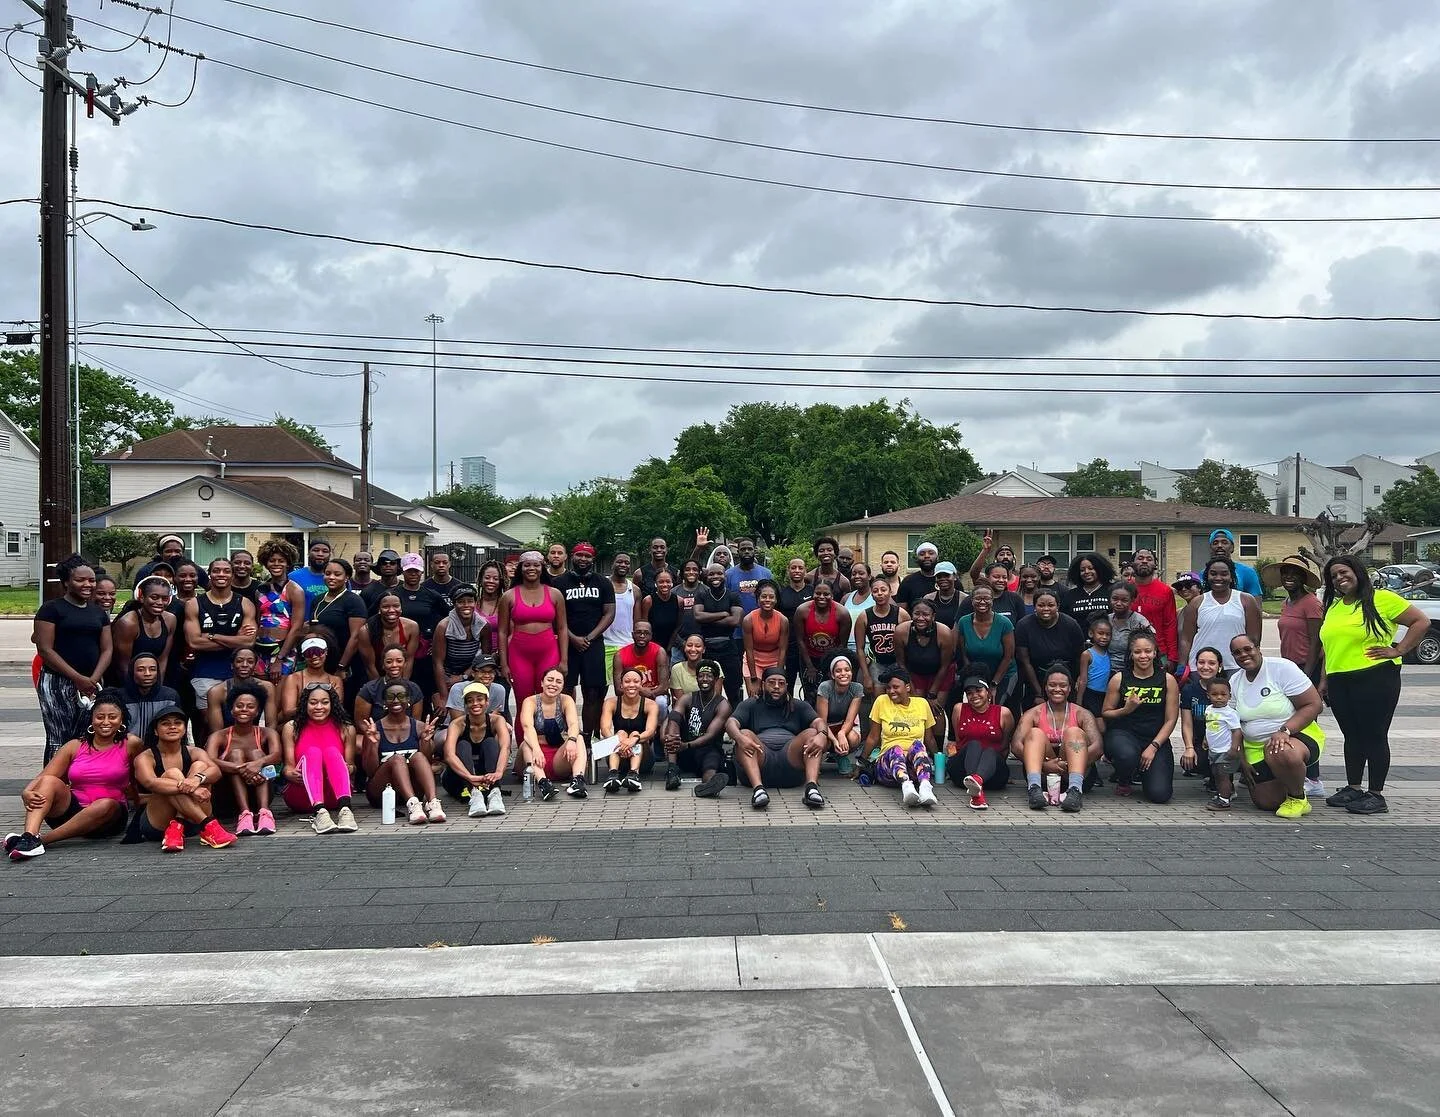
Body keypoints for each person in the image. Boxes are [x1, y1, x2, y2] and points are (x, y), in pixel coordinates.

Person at [1318, 554, 1431, 816]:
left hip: (1375, 677)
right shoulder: (1335, 606)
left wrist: (1399, 649)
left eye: (1344, 572)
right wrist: (1324, 679)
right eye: (1334, 576)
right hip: (1339, 679)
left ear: (1358, 572)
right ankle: (1354, 787)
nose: (1339, 578)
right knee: (1352, 736)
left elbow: (1421, 621)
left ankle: (1376, 794)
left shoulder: (1382, 599)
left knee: (1374, 735)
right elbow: (1328, 647)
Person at [6, 689, 136, 860]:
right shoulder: (75, 745)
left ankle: (39, 841)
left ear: (121, 721)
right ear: (91, 719)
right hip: (71, 810)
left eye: (112, 717)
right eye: (100, 717)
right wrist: (26, 791)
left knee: (105, 804)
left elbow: (143, 773)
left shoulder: (132, 744)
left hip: (108, 816)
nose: (105, 722)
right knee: (49, 781)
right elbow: (44, 776)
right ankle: (30, 835)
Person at [1229, 634, 1327, 819]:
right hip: (1255, 746)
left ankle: (1298, 797)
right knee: (1267, 802)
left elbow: (1314, 705)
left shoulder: (1281, 668)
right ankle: (1290, 778)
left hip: (1295, 734)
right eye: (1237, 652)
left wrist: (1285, 730)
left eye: (1248, 649)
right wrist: (1241, 759)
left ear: (1258, 648)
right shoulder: (1235, 681)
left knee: (1279, 751)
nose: (1243, 654)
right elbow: (1234, 725)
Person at [126, 704, 236, 851]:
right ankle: (210, 826)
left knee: (200, 767)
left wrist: (197, 780)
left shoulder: (195, 751)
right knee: (172, 774)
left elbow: (216, 771)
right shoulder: (145, 757)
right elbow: (150, 782)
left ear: (184, 729)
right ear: (155, 731)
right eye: (165, 724)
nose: (172, 727)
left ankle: (178, 826)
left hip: (192, 823)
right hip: (158, 823)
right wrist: (192, 790)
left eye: (177, 723)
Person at [34, 557, 112, 764]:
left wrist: (93, 679)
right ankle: (53, 786)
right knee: (59, 736)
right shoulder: (51, 609)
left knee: (86, 735)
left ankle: (80, 786)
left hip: (91, 683)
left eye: (91, 580)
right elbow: (45, 649)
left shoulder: (99, 613)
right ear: (67, 582)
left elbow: (107, 648)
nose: (88, 585)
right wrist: (77, 678)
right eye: (80, 580)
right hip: (57, 681)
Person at [727, 668, 827, 810]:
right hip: (760, 760)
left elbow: (819, 722)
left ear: (787, 686)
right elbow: (730, 723)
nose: (776, 687)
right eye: (771, 682)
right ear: (762, 685)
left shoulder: (798, 705)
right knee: (744, 734)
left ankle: (812, 788)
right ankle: (758, 790)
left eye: (781, 683)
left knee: (812, 733)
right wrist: (739, 737)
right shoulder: (750, 704)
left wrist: (822, 735)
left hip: (791, 764)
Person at [1268, 553, 1326, 798]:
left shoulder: (1311, 603)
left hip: (1306, 668)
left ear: (1304, 578)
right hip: (1288, 668)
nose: (1289, 577)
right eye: (1285, 572)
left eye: (1295, 573)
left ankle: (1313, 778)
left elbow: (1316, 642)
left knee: (1308, 723)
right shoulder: (1287, 602)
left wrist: (1306, 675)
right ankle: (1295, 769)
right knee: (1292, 721)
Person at [1101, 632, 1179, 804]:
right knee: (1127, 755)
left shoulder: (1167, 680)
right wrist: (1126, 709)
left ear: (1155, 652)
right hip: (1124, 734)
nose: (1143, 656)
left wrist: (1154, 746)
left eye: (1147, 651)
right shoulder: (1119, 678)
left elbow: (1171, 720)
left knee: (1160, 795)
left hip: (1154, 737)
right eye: (1137, 652)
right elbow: (1106, 712)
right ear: (1131, 654)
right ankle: (1124, 777)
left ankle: (1145, 772)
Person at [1014, 665, 1103, 813]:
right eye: (1052, 685)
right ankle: (1034, 790)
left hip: (1076, 775)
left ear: (1070, 688)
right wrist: (1044, 766)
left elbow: (1098, 747)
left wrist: (1067, 766)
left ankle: (1075, 792)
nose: (1057, 689)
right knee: (1035, 733)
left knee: (1074, 732)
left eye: (1063, 685)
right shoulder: (1033, 713)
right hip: (1043, 775)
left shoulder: (1082, 714)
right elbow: (1016, 745)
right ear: (1045, 688)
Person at [184, 558, 257, 735]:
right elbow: (194, 642)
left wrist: (212, 636)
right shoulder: (194, 604)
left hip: (238, 673)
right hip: (205, 672)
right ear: (209, 574)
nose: (221, 574)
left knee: (238, 721)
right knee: (208, 724)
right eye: (216, 571)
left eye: (226, 571)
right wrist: (235, 639)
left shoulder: (245, 603)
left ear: (232, 575)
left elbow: (248, 642)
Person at [554, 542, 615, 743]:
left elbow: (609, 613)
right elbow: (555, 616)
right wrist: (572, 637)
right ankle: (567, 735)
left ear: (593, 560)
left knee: (593, 692)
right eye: (579, 555)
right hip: (566, 643)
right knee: (565, 690)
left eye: (587, 556)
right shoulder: (560, 583)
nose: (583, 559)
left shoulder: (603, 583)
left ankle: (587, 737)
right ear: (572, 556)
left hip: (593, 644)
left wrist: (589, 637)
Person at [280, 682, 360, 834]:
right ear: (305, 704)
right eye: (313, 702)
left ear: (332, 704)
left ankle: (345, 810)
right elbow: (287, 767)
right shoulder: (292, 727)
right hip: (303, 795)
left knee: (331, 751)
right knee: (314, 752)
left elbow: (352, 766)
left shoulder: (346, 728)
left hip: (335, 795)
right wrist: (290, 773)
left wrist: (348, 768)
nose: (319, 707)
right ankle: (319, 813)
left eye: (325, 702)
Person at [203, 681, 281, 836]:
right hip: (228, 795)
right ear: (231, 710)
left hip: (260, 790)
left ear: (258, 711)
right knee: (235, 754)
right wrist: (240, 769)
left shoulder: (267, 733)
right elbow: (209, 759)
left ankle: (265, 812)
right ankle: (244, 814)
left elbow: (277, 756)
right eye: (239, 706)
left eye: (250, 706)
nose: (244, 709)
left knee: (257, 754)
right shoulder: (220, 736)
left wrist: (257, 764)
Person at [359, 685, 445, 825]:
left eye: (401, 696)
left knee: (418, 756)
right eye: (390, 697)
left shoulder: (419, 727)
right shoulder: (375, 729)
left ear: (409, 700)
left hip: (414, 788)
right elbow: (370, 771)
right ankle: (413, 806)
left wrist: (425, 741)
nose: (396, 700)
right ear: (384, 703)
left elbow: (426, 762)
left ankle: (432, 803)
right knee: (397, 759)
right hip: (382, 792)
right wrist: (373, 744)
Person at [498, 551, 568, 707]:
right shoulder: (508, 596)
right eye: (527, 565)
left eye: (536, 565)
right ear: (520, 568)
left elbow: (562, 628)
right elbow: (502, 632)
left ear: (542, 568)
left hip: (549, 653)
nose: (532, 568)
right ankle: (524, 732)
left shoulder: (555, 594)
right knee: (523, 701)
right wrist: (504, 664)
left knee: (549, 700)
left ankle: (547, 732)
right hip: (519, 655)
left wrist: (564, 660)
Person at [862, 667, 938, 809]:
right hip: (888, 767)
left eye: (896, 687)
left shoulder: (922, 704)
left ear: (907, 687)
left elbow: (930, 739)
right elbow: (873, 737)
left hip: (914, 766)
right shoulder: (881, 701)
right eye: (888, 688)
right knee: (895, 749)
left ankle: (925, 787)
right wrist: (862, 763)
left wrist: (940, 761)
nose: (891, 691)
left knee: (918, 746)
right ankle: (906, 787)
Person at [1178, 557, 1262, 673]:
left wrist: (1252, 663)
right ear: (1207, 577)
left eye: (1224, 574)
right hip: (1202, 667)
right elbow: (1186, 639)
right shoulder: (1197, 602)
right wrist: (1182, 665)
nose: (1218, 578)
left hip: (1236, 666)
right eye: (1213, 574)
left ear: (1232, 577)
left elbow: (1254, 638)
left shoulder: (1246, 600)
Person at [440, 682, 512, 815]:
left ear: (487, 702)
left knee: (490, 742)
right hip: (460, 778)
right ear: (466, 705)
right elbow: (448, 755)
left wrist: (499, 772)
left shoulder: (497, 720)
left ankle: (495, 792)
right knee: (462, 745)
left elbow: (505, 747)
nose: (475, 704)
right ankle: (475, 794)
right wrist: (470, 777)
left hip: (487, 777)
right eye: (470, 701)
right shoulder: (457, 724)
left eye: (479, 699)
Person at [517, 667, 589, 800]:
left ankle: (578, 781)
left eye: (558, 681)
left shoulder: (566, 700)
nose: (553, 684)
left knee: (578, 738)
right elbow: (527, 728)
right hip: (533, 759)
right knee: (526, 743)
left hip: (558, 757)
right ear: (542, 683)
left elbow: (574, 724)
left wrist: (571, 740)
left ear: (562, 685)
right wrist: (537, 750)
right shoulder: (530, 701)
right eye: (550, 680)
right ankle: (544, 784)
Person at [661, 660, 730, 797]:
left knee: (710, 767)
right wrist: (666, 737)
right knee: (674, 722)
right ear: (696, 678)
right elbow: (673, 717)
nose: (705, 679)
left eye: (709, 676)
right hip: (682, 749)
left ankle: (709, 785)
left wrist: (686, 745)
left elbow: (710, 735)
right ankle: (672, 772)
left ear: (716, 679)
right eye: (701, 676)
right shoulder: (688, 698)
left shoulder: (723, 705)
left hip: (708, 750)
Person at [948, 676, 1014, 809]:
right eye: (969, 693)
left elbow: (1005, 746)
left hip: (993, 774)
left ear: (988, 693)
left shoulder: (1003, 713)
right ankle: (975, 785)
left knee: (990, 750)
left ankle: (977, 783)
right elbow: (959, 741)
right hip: (963, 773)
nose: (974, 695)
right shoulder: (959, 709)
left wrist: (988, 765)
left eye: (978, 690)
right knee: (974, 744)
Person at [1014, 589, 1086, 708]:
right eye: (1041, 605)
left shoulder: (1071, 624)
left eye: (1050, 605)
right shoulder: (1023, 626)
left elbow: (1080, 656)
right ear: (1034, 606)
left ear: (1058, 606)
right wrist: (1039, 694)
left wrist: (1076, 682)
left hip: (1066, 679)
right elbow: (1025, 662)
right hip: (1035, 679)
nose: (1046, 609)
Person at [955, 585, 1017, 707]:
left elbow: (1008, 657)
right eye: (978, 598)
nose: (982, 602)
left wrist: (993, 685)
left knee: (995, 706)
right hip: (976, 676)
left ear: (992, 601)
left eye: (987, 598)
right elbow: (964, 654)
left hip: (1003, 674)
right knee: (975, 706)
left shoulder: (1004, 623)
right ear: (972, 601)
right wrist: (973, 680)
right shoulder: (963, 622)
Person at [254, 540, 307, 681]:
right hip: (260, 649)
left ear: (288, 563)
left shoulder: (295, 590)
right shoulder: (260, 590)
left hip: (283, 651)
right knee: (261, 695)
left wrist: (279, 659)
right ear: (266, 563)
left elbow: (296, 628)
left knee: (279, 697)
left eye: (281, 561)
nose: (276, 564)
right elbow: (257, 622)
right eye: (272, 560)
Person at [794, 580, 853, 705]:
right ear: (813, 593)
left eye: (826, 594)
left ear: (832, 595)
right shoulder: (802, 611)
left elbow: (842, 645)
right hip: (809, 657)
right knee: (810, 695)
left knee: (829, 694)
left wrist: (830, 667)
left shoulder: (842, 613)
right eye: (818, 593)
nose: (821, 597)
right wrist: (809, 667)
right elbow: (800, 640)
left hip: (831, 658)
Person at [893, 600, 954, 719]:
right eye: (916, 614)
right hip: (914, 672)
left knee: (935, 710)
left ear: (933, 616)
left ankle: (937, 738)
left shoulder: (944, 632)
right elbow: (901, 663)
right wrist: (911, 688)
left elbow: (945, 666)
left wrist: (932, 694)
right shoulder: (901, 631)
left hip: (940, 672)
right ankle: (919, 737)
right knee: (917, 707)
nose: (921, 618)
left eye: (925, 615)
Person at [600, 667, 658, 793]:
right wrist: (620, 743)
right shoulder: (611, 703)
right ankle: (613, 774)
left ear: (641, 684)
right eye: (627, 681)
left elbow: (650, 731)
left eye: (636, 681)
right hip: (617, 753)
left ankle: (634, 774)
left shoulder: (650, 704)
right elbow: (604, 728)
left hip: (643, 757)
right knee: (620, 733)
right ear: (621, 684)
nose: (631, 685)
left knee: (636, 733)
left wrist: (633, 740)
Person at [431, 584, 489, 709]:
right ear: (454, 604)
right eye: (461, 602)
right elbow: (437, 663)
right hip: (446, 676)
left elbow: (485, 659)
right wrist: (444, 696)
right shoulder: (443, 627)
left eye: (470, 601)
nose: (466, 605)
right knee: (443, 709)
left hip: (472, 673)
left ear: (476, 603)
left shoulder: (483, 626)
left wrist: (463, 677)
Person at [1178, 646, 1227, 793]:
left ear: (1220, 666)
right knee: (1190, 763)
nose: (1205, 667)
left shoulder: (1227, 688)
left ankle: (1222, 780)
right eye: (1201, 662)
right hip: (1200, 743)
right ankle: (1208, 772)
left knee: (1219, 761)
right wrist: (1189, 748)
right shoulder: (1189, 690)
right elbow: (1186, 723)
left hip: (1223, 741)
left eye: (1211, 663)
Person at [694, 562, 744, 706]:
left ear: (725, 576)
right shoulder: (702, 595)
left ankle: (736, 721)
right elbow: (698, 617)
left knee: (733, 689)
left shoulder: (733, 596)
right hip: (708, 648)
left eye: (719, 573)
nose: (715, 576)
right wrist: (723, 613)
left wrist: (708, 618)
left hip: (729, 647)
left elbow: (735, 620)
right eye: (711, 574)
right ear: (706, 577)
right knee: (709, 689)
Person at [1190, 673, 1241, 811]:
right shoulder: (1209, 709)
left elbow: (1236, 731)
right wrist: (1206, 739)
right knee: (1216, 774)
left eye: (1223, 694)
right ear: (1208, 695)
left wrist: (1234, 748)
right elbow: (1209, 726)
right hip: (1214, 749)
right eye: (1214, 694)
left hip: (1225, 750)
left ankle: (1224, 800)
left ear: (1229, 696)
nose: (1219, 697)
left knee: (1223, 775)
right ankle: (1224, 793)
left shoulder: (1230, 713)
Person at [112, 575, 176, 683]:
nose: (160, 602)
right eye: (154, 597)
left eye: (164, 598)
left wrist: (157, 690)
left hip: (151, 681)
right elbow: (123, 665)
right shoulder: (128, 623)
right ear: (141, 597)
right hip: (125, 682)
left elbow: (162, 660)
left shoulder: (170, 620)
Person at [308, 559, 367, 676]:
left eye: (337, 574)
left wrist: (342, 666)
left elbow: (356, 637)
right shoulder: (318, 600)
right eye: (328, 573)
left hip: (344, 664)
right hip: (319, 661)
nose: (331, 577)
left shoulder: (353, 601)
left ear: (347, 578)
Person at [204, 647, 278, 733]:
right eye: (239, 661)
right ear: (232, 664)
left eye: (250, 662)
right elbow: (216, 731)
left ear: (255, 665)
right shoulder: (217, 692)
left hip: (255, 738)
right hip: (226, 739)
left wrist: (265, 741)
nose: (245, 665)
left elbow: (271, 725)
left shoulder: (267, 687)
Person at [854, 577, 907, 695]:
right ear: (871, 595)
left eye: (883, 590)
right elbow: (860, 648)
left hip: (897, 662)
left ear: (890, 592)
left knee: (899, 696)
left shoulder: (901, 614)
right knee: (879, 698)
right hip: (877, 662)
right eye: (875, 591)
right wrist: (866, 675)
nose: (880, 593)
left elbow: (909, 643)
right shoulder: (864, 616)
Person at [354, 589, 420, 681]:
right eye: (386, 607)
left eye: (396, 606)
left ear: (401, 608)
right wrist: (380, 688)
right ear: (379, 609)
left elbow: (409, 660)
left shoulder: (412, 627)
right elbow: (370, 666)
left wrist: (403, 684)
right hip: (376, 677)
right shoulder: (366, 631)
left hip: (403, 676)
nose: (391, 610)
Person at [1129, 549, 1178, 666]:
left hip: (1158, 651)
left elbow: (1170, 625)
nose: (1144, 561)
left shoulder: (1165, 591)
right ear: (1132, 564)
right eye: (1140, 558)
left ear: (1155, 565)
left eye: (1149, 559)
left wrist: (1172, 657)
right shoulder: (1124, 589)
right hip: (1128, 650)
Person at [279, 637, 346, 722]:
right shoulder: (294, 678)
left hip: (327, 724)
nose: (314, 656)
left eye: (318, 652)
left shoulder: (336, 680)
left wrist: (310, 706)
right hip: (300, 724)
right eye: (309, 653)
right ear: (303, 655)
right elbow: (288, 712)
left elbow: (338, 710)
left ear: (326, 652)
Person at [816, 654, 863, 774]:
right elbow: (822, 721)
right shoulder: (825, 687)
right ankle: (817, 759)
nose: (843, 673)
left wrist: (841, 734)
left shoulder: (857, 688)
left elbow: (849, 720)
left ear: (852, 673)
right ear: (832, 675)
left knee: (852, 738)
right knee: (823, 740)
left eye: (847, 670)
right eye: (838, 671)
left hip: (843, 725)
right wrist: (835, 740)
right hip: (825, 726)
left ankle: (841, 756)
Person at [741, 579, 789, 697]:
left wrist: (778, 674)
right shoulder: (748, 620)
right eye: (764, 596)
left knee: (773, 696)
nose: (767, 600)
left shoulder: (783, 620)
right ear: (758, 599)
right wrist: (754, 678)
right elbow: (749, 650)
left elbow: (783, 650)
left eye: (771, 597)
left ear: (776, 600)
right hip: (754, 660)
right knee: (754, 696)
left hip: (774, 660)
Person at [614, 620, 671, 719]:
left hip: (654, 693)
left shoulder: (659, 652)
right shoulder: (620, 655)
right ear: (632, 634)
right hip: (629, 694)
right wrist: (640, 692)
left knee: (661, 702)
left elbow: (664, 686)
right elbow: (618, 690)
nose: (642, 636)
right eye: (639, 632)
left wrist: (650, 693)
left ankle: (659, 729)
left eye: (646, 633)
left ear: (651, 635)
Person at [354, 646, 424, 723]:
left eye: (399, 661)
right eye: (389, 662)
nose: (394, 665)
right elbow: (361, 723)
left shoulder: (414, 689)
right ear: (383, 665)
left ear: (405, 664)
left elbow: (416, 723)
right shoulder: (369, 689)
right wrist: (374, 734)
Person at [123, 651, 181, 741]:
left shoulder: (170, 696)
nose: (147, 674)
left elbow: (178, 727)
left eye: (152, 669)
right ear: (132, 672)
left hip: (160, 750)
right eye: (141, 669)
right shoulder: (120, 697)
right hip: (126, 749)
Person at [441, 652, 507, 726]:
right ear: (473, 673)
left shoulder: (499, 690)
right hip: (457, 728)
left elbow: (496, 717)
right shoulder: (458, 688)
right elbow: (457, 722)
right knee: (444, 737)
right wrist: (488, 719)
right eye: (482, 672)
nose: (487, 675)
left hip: (486, 728)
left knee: (506, 728)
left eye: (491, 672)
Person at [777, 557, 813, 690]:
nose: (797, 571)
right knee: (788, 683)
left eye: (800, 568)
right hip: (788, 645)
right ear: (788, 571)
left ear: (805, 571)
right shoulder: (781, 593)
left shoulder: (813, 592)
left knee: (809, 684)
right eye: (793, 568)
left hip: (809, 646)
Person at [603, 552, 637, 683]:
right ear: (613, 563)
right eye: (619, 561)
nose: (623, 565)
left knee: (629, 686)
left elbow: (637, 620)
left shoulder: (634, 589)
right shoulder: (602, 585)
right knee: (601, 688)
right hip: (606, 644)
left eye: (626, 563)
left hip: (627, 644)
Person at [1061, 553, 1117, 633]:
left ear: (1099, 569)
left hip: (1108, 640)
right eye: (1082, 570)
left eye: (1091, 568)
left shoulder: (1113, 590)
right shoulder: (1070, 595)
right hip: (1079, 642)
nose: (1086, 572)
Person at [724, 538, 772, 628]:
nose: (746, 551)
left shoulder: (766, 573)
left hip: (761, 627)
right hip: (737, 630)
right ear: (738, 552)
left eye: (750, 549)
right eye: (743, 549)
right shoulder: (728, 575)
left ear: (755, 551)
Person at [639, 570, 683, 661]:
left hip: (671, 646)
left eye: (668, 581)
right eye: (661, 582)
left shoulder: (679, 601)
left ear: (672, 583)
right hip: (651, 646)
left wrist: (669, 647)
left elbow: (678, 625)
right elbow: (644, 627)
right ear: (655, 583)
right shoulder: (648, 601)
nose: (664, 585)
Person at [1105, 583, 1155, 664]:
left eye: (1124, 600)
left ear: (1132, 600)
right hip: (1106, 667)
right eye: (1115, 599)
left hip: (1131, 668)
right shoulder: (1106, 620)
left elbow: (1150, 646)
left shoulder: (1138, 621)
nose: (1118, 603)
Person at [1076, 618, 1114, 720]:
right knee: (1099, 725)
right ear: (1091, 634)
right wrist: (1079, 702)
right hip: (1091, 694)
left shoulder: (1109, 653)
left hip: (1105, 695)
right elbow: (1083, 680)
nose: (1104, 637)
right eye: (1100, 633)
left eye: (1108, 634)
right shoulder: (1087, 654)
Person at [136, 534, 207, 588]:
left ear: (182, 552)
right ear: (161, 553)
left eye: (177, 551)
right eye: (168, 551)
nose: (173, 554)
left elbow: (209, 587)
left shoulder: (192, 569)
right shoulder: (147, 570)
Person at [1208, 529, 1263, 597]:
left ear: (1232, 547)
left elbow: (1256, 605)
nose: (1219, 545)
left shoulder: (1248, 572)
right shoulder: (1203, 574)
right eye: (1215, 543)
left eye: (1224, 542)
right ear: (1210, 548)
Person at [670, 559, 704, 664]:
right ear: (682, 573)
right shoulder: (673, 593)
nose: (691, 572)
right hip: (678, 644)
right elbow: (669, 622)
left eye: (695, 569)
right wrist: (681, 643)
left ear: (700, 572)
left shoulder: (706, 591)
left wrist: (700, 644)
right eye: (687, 569)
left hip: (701, 645)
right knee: (677, 676)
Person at [290, 538, 333, 618]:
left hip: (331, 628)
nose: (320, 554)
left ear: (330, 555)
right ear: (308, 553)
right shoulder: (293, 577)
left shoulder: (337, 578)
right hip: (302, 628)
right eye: (316, 550)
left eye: (325, 551)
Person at [474, 560, 506, 658]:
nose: (491, 581)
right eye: (487, 577)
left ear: (501, 581)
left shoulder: (506, 602)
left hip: (500, 656)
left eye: (495, 578)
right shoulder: (472, 602)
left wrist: (497, 655)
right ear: (481, 579)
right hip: (474, 656)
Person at [840, 562, 874, 654]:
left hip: (870, 648)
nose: (857, 576)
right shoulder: (846, 598)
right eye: (854, 574)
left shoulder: (877, 597)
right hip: (848, 648)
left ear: (869, 576)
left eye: (861, 573)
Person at [924, 562, 965, 630]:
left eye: (947, 575)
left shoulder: (964, 599)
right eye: (939, 576)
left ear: (955, 576)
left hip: (956, 639)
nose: (943, 579)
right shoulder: (928, 599)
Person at [896, 542, 938, 610]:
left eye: (931, 553)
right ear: (917, 558)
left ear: (937, 557)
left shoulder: (948, 581)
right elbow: (901, 612)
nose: (926, 556)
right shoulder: (908, 581)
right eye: (922, 554)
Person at [669, 634, 707, 700]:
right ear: (685, 648)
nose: (693, 649)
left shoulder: (714, 666)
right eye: (689, 645)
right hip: (685, 707)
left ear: (703, 649)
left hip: (710, 708)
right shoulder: (677, 669)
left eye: (698, 646)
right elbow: (681, 700)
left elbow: (715, 698)